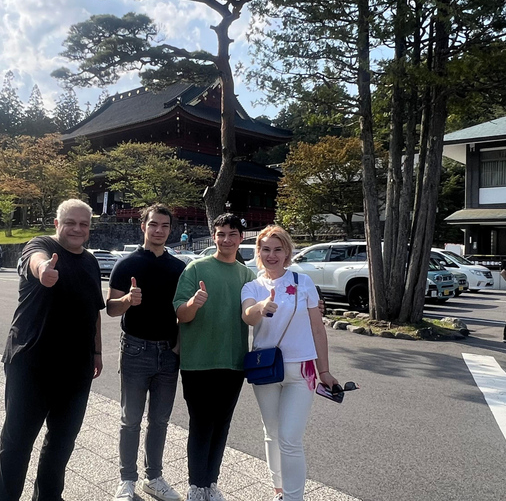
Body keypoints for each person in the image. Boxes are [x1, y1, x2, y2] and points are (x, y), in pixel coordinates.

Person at [0, 199, 105, 501]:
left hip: (76, 368)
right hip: (32, 362)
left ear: (89, 228)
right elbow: (34, 259)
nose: (77, 229)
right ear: (57, 224)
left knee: (62, 442)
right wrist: (43, 270)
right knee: (17, 442)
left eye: (83, 224)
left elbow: (94, 310)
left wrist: (97, 353)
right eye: (70, 222)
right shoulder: (41, 245)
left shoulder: (91, 262)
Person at [240, 225, 337, 501]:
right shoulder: (252, 286)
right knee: (271, 433)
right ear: (258, 252)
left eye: (277, 249)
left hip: (301, 372)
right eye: (266, 249)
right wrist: (261, 308)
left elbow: (318, 329)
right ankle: (279, 490)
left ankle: (295, 498)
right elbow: (247, 315)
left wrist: (325, 371)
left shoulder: (303, 282)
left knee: (290, 438)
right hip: (265, 369)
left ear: (287, 252)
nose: (272, 255)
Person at [173, 214, 256, 501]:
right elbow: (180, 314)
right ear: (214, 236)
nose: (226, 239)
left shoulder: (248, 276)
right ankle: (196, 485)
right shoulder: (196, 268)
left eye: (232, 234)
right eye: (220, 234)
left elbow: (263, 312)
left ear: (241, 238)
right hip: (198, 362)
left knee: (222, 424)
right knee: (201, 423)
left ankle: (211, 483)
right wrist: (194, 303)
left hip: (234, 362)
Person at [107, 204, 186, 501]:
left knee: (160, 421)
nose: (159, 230)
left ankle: (154, 478)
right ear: (143, 226)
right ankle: (127, 480)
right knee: (130, 419)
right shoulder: (126, 265)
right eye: (153, 224)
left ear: (170, 229)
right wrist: (128, 299)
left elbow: (183, 310)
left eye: (165, 226)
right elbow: (112, 309)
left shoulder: (179, 268)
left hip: (168, 353)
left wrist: (178, 343)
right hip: (135, 349)